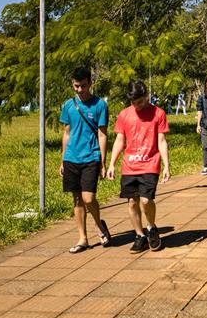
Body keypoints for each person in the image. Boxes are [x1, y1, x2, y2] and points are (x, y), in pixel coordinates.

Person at [107, 80, 170, 253]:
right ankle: (139, 235)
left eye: (140, 102)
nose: (137, 106)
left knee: (145, 200)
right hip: (129, 166)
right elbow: (120, 140)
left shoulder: (158, 113)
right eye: (133, 103)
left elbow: (162, 141)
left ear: (147, 96)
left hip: (150, 164)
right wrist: (112, 163)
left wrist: (166, 166)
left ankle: (151, 228)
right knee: (132, 203)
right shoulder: (124, 115)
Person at [59, 67, 111, 254]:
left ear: (90, 83)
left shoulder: (100, 105)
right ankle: (83, 238)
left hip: (91, 156)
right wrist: (63, 160)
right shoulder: (68, 105)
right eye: (76, 86)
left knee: (89, 198)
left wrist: (103, 162)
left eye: (83, 86)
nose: (80, 90)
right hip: (72, 157)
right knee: (77, 199)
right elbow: (67, 132)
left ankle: (99, 225)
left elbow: (102, 135)